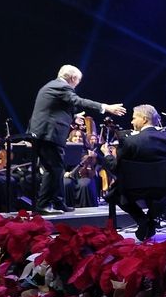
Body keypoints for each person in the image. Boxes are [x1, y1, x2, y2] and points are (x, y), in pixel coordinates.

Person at [28, 65, 125, 215]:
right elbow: (78, 101)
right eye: (77, 81)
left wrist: (72, 117)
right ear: (73, 78)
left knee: (57, 168)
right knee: (53, 168)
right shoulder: (61, 86)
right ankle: (43, 204)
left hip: (45, 132)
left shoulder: (52, 86)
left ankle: (58, 201)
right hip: (48, 134)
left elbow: (52, 111)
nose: (76, 85)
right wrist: (105, 107)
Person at [101, 105, 166, 241]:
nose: (132, 122)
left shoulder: (129, 141)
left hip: (133, 190)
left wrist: (107, 155)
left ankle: (143, 220)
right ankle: (151, 218)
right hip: (162, 189)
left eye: (134, 118)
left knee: (115, 193)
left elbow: (116, 169)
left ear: (144, 119)